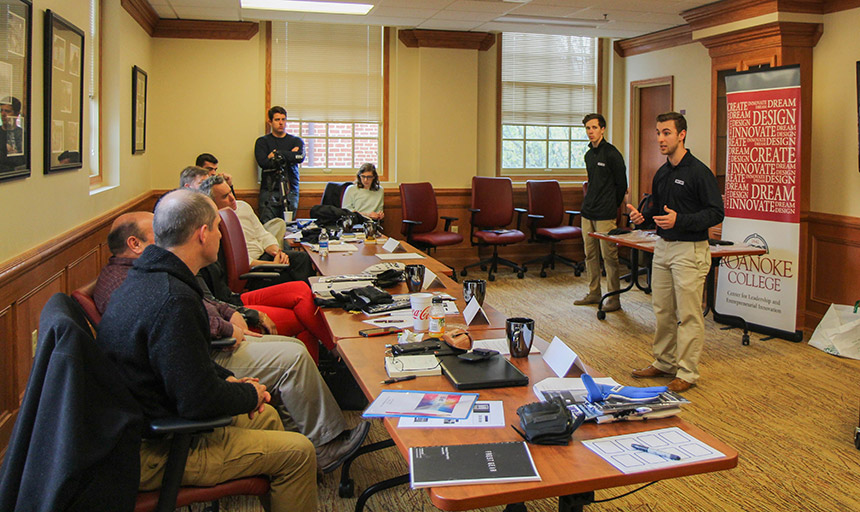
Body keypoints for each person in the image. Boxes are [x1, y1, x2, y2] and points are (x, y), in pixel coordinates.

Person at [93, 209, 370, 473]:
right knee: (293, 356)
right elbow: (180, 339)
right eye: (158, 232)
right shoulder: (134, 282)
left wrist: (233, 314)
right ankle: (320, 444)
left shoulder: (149, 271)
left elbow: (205, 301)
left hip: (201, 354)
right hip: (190, 376)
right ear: (134, 243)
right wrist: (228, 334)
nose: (167, 237)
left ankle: (307, 442)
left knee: (295, 342)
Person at [96, 189, 316, 511]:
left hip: (149, 422)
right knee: (299, 453)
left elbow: (186, 364)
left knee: (268, 416)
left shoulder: (148, 277)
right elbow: (197, 401)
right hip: (154, 450)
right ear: (202, 235)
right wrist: (249, 395)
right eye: (216, 227)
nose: (219, 235)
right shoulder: (173, 299)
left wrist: (230, 380)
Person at [627, 112, 724, 393]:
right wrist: (641, 218)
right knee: (663, 310)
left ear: (681, 135)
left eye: (666, 133)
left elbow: (716, 212)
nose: (660, 138)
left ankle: (687, 372)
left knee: (689, 314)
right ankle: (664, 362)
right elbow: (657, 212)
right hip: (663, 248)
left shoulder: (699, 172)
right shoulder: (663, 173)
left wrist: (680, 220)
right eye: (658, 132)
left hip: (689, 251)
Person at [198, 174, 314, 284]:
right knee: (295, 280)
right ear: (212, 203)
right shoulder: (216, 223)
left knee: (302, 258)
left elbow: (262, 234)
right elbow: (236, 262)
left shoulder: (243, 206)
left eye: (230, 192)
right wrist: (270, 264)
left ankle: (318, 300)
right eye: (225, 197)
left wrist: (276, 252)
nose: (232, 198)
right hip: (252, 269)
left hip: (266, 255)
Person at [574, 113, 628, 313]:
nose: (590, 132)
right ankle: (594, 292)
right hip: (588, 211)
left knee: (609, 256)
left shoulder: (612, 154)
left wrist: (611, 205)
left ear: (603, 129)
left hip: (606, 214)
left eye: (594, 127)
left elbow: (622, 184)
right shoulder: (589, 155)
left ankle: (613, 298)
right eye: (587, 128)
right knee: (590, 254)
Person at [255, 106, 304, 223]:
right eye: (277, 120)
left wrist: (277, 154)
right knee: (268, 226)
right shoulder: (262, 142)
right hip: (270, 190)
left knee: (288, 227)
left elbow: (299, 157)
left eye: (283, 119)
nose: (281, 123)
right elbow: (263, 163)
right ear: (270, 122)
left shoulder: (296, 141)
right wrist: (289, 155)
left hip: (290, 189)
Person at [0, 97, 24, 171]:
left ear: (16, 114)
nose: (3, 114)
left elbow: (22, 162)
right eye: (1, 110)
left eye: (7, 111)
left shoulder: (22, 135)